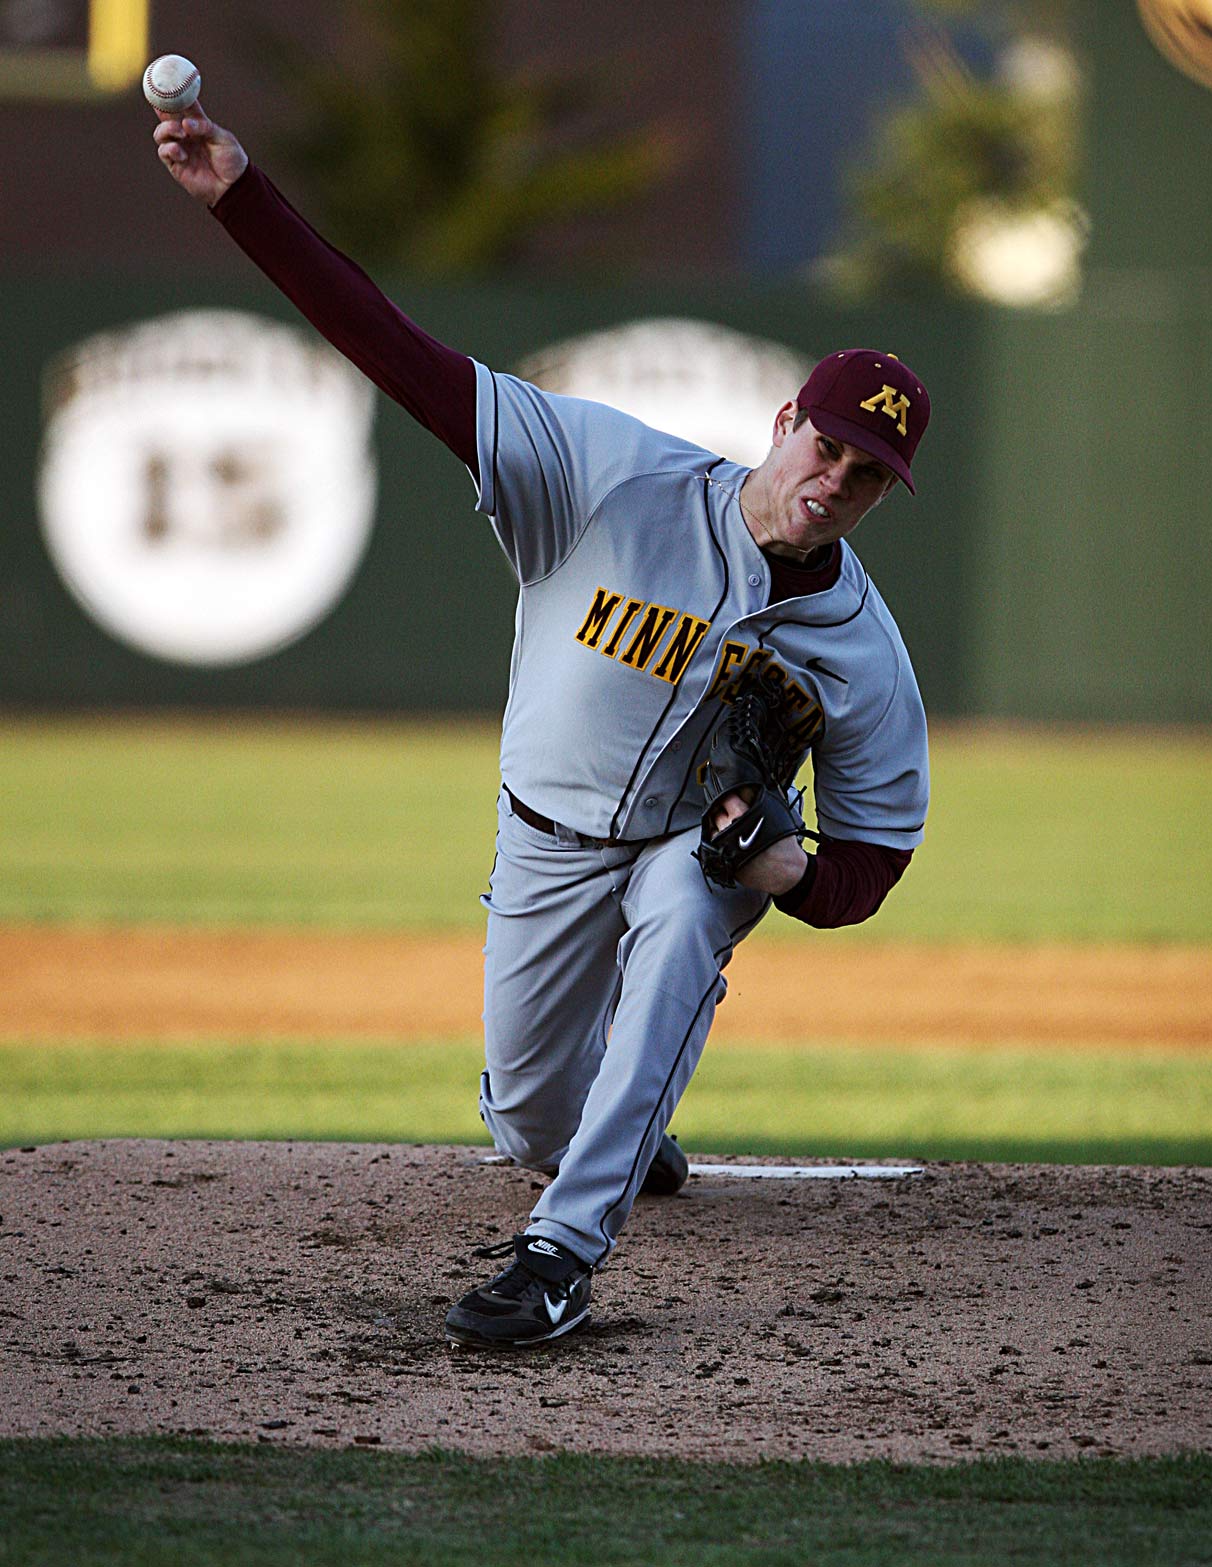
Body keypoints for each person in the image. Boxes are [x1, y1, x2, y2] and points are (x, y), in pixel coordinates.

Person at [152, 104, 931, 1349]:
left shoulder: (864, 656)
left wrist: (781, 864)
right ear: (784, 424)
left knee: (688, 919)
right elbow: (396, 352)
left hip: (692, 843)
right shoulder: (605, 473)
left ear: (887, 495)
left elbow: (873, 858)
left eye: (868, 476)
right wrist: (242, 198)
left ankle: (560, 1260)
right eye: (827, 449)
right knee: (524, 1119)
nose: (833, 482)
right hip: (547, 838)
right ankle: (618, 1139)